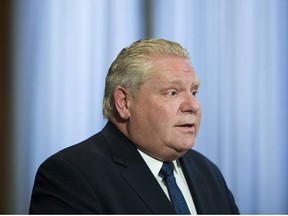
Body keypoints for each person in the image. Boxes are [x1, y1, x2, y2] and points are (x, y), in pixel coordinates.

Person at [29, 38, 239, 214]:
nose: (192, 106)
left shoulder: (208, 173)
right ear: (124, 103)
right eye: (172, 92)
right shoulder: (71, 175)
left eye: (194, 92)